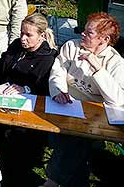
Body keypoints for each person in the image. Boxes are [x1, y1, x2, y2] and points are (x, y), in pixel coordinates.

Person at [43, 12, 124, 187]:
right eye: (84, 31)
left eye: (89, 33)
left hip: (93, 116)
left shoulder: (116, 62)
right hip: (64, 105)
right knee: (76, 144)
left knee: (75, 141)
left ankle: (52, 181)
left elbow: (117, 100)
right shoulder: (72, 46)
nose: (83, 34)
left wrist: (97, 68)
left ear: (104, 39)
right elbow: (58, 70)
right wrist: (58, 90)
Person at [0, 13, 58, 187]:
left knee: (0, 125)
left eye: (28, 35)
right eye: (21, 33)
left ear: (42, 36)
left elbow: (48, 87)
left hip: (29, 107)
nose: (22, 38)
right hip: (1, 94)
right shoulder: (16, 46)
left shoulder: (49, 58)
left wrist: (26, 89)